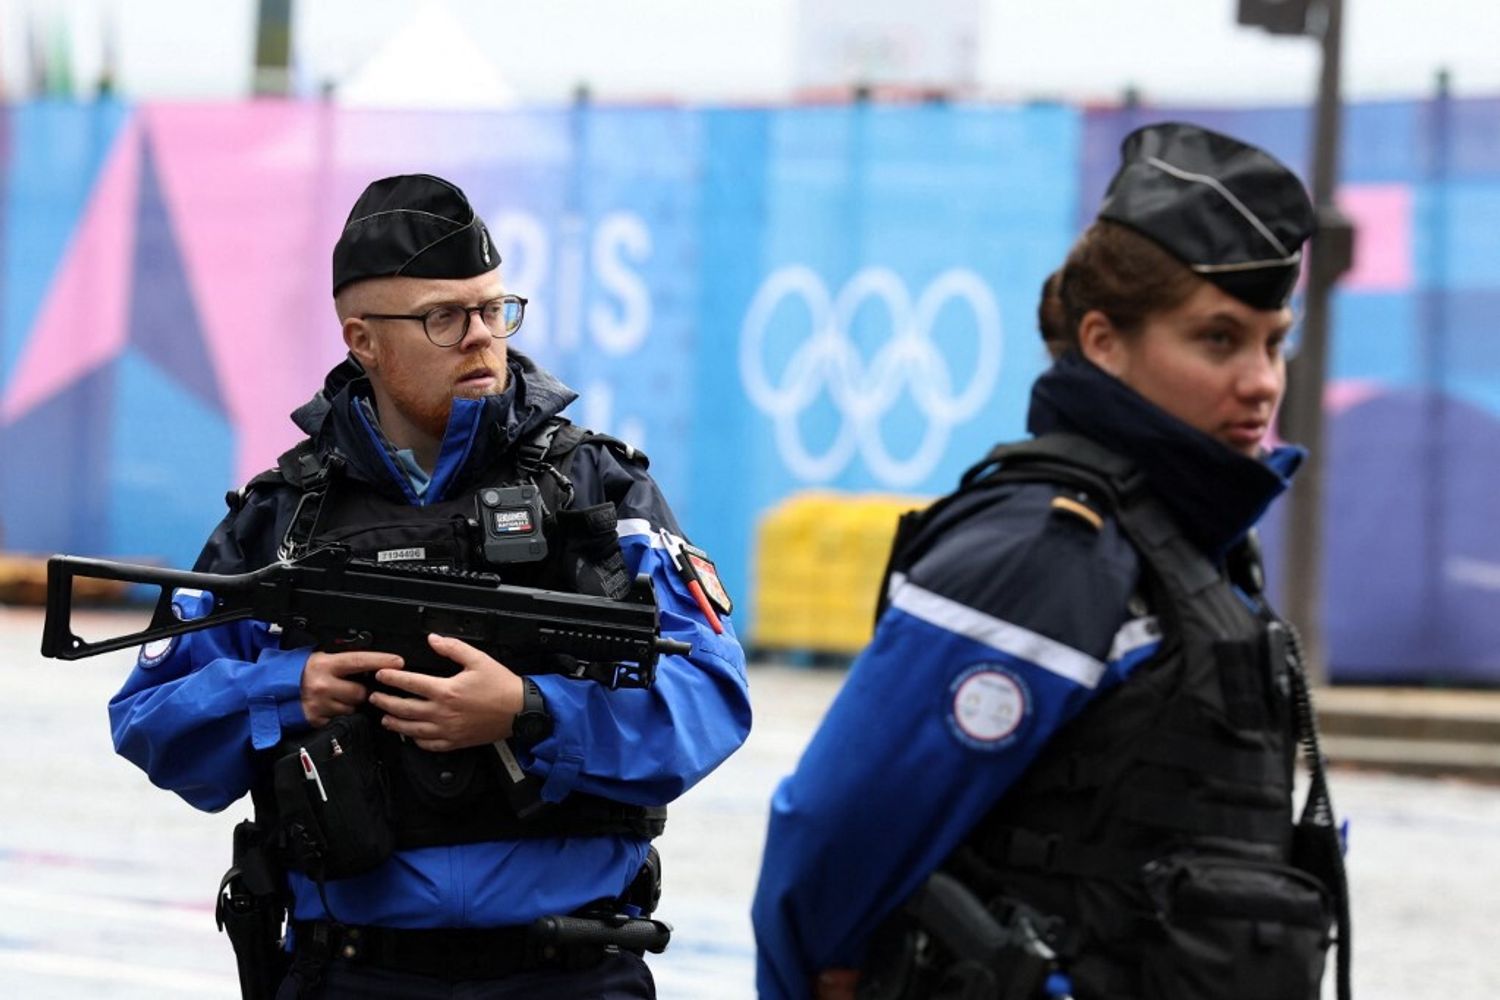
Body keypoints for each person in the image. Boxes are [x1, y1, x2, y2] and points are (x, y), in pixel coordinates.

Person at [108, 173, 752, 999]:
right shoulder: (284, 517)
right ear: (362, 341)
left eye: (494, 310)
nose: (481, 338)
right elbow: (149, 718)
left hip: (570, 971)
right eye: (443, 318)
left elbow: (711, 695)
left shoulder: (598, 492)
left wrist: (531, 710)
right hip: (351, 970)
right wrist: (287, 690)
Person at [751, 122, 1350, 1000]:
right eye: (1219, 340)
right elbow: (833, 837)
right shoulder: (1051, 549)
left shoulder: (1196, 550)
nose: (1261, 380)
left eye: (1273, 341)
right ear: (1104, 342)